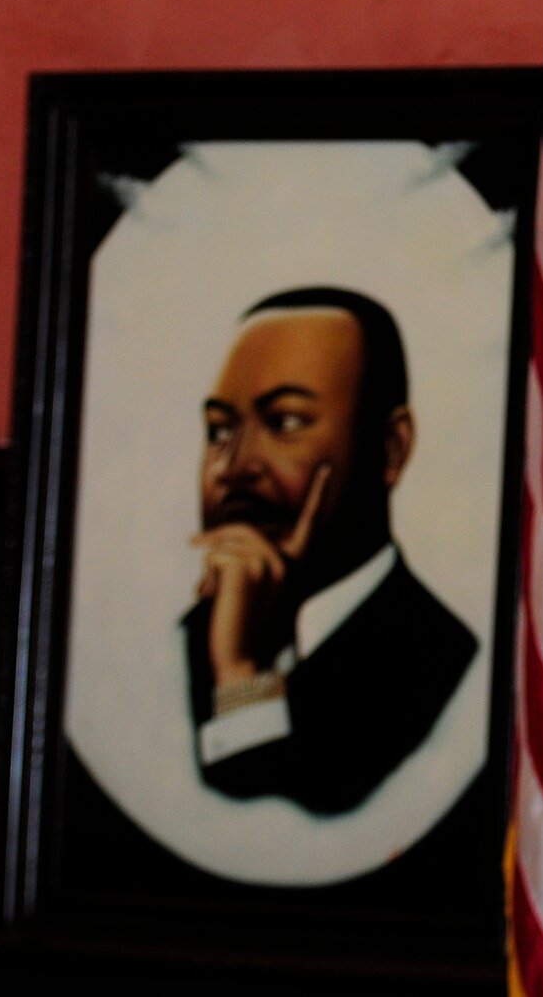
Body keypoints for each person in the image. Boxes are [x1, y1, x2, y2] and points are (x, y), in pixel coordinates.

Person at [183, 286, 476, 816]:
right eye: (219, 430)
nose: (234, 466)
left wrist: (241, 677)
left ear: (390, 450)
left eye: (285, 423)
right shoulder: (182, 645)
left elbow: (281, 826)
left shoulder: (438, 656)